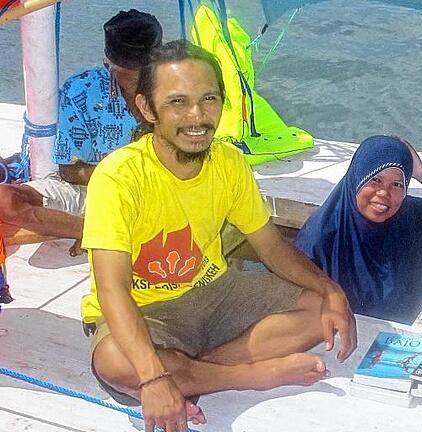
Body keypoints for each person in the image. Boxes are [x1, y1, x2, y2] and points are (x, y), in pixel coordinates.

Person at [81, 40, 357, 432]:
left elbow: (271, 247)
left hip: (213, 291)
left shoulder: (228, 161)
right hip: (145, 309)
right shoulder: (118, 178)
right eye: (178, 102)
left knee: (320, 311)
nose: (197, 116)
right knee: (115, 361)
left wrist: (330, 288)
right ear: (146, 108)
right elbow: (113, 291)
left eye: (208, 98)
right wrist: (155, 377)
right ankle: (250, 375)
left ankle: (193, 372)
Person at [0, 9, 162, 256]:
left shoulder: (176, 90)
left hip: (156, 196)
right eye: (125, 69)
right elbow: (69, 170)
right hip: (92, 192)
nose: (133, 76)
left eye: (141, 69)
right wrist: (119, 181)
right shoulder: (82, 90)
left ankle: (115, 231)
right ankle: (95, 232)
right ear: (108, 62)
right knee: (6, 200)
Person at [294, 135, 422, 323]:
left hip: (409, 333)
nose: (384, 194)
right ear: (357, 178)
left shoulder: (409, 215)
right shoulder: (322, 234)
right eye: (375, 180)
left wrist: (420, 172)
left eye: (397, 185)